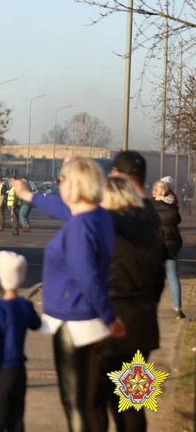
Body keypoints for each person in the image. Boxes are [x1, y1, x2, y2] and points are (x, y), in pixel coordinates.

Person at [9, 157, 125, 432]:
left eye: (61, 179)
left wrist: (109, 317)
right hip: (89, 320)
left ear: (74, 185)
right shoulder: (97, 216)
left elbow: (87, 276)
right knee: (91, 400)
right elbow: (62, 207)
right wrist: (29, 195)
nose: (57, 183)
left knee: (75, 404)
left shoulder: (79, 228)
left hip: (75, 321)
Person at [97, 175, 166, 432]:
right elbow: (159, 280)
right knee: (134, 400)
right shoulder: (150, 234)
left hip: (111, 324)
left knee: (105, 398)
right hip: (142, 324)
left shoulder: (105, 233)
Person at [0, 250, 41, 432]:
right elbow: (36, 324)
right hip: (19, 372)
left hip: (0, 373)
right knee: (17, 420)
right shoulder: (25, 306)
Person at [153, 179, 186, 320]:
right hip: (171, 246)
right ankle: (177, 308)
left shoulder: (150, 207)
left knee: (153, 277)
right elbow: (178, 220)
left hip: (156, 246)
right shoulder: (172, 207)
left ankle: (152, 308)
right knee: (172, 276)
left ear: (155, 192)